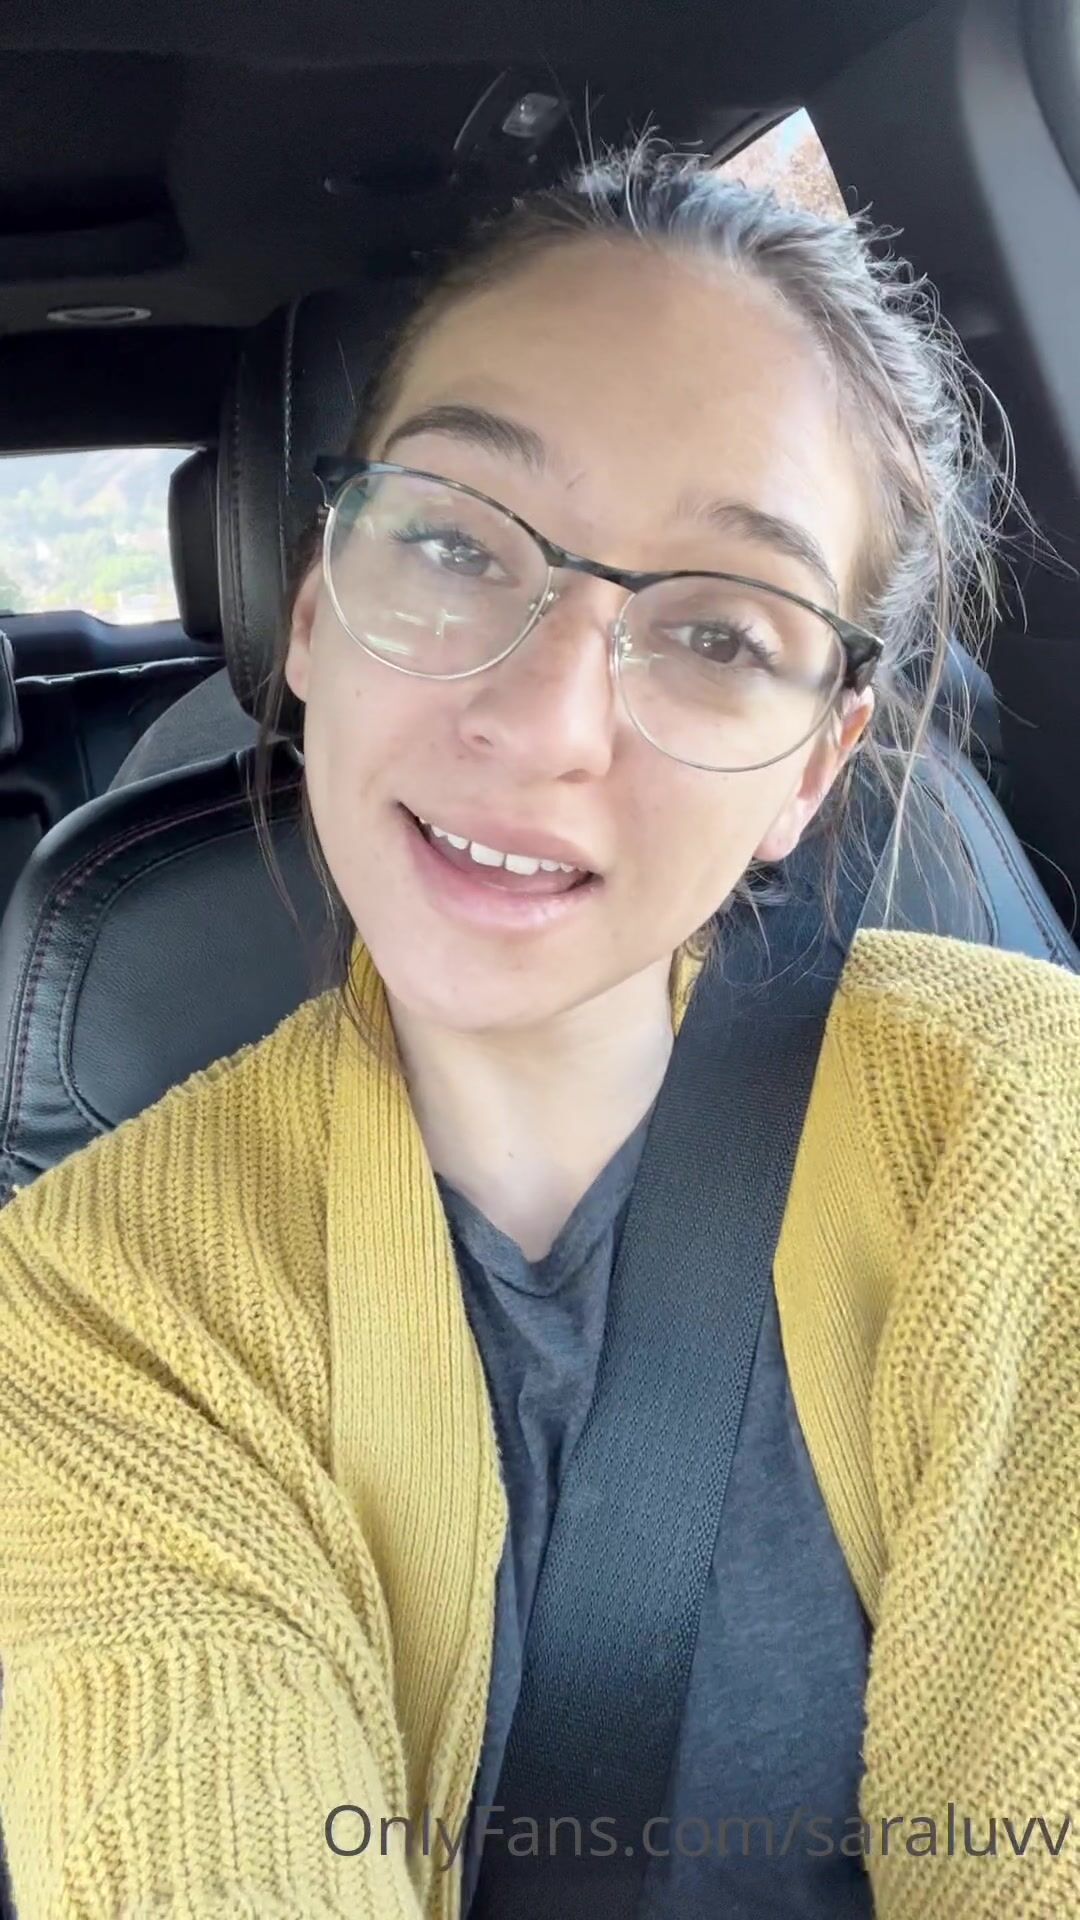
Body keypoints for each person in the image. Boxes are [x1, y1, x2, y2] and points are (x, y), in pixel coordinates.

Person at [0, 138, 1078, 1920]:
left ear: (814, 767)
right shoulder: (99, 1297)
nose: (549, 722)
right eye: (452, 543)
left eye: (720, 636)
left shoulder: (1023, 1123)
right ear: (313, 605)